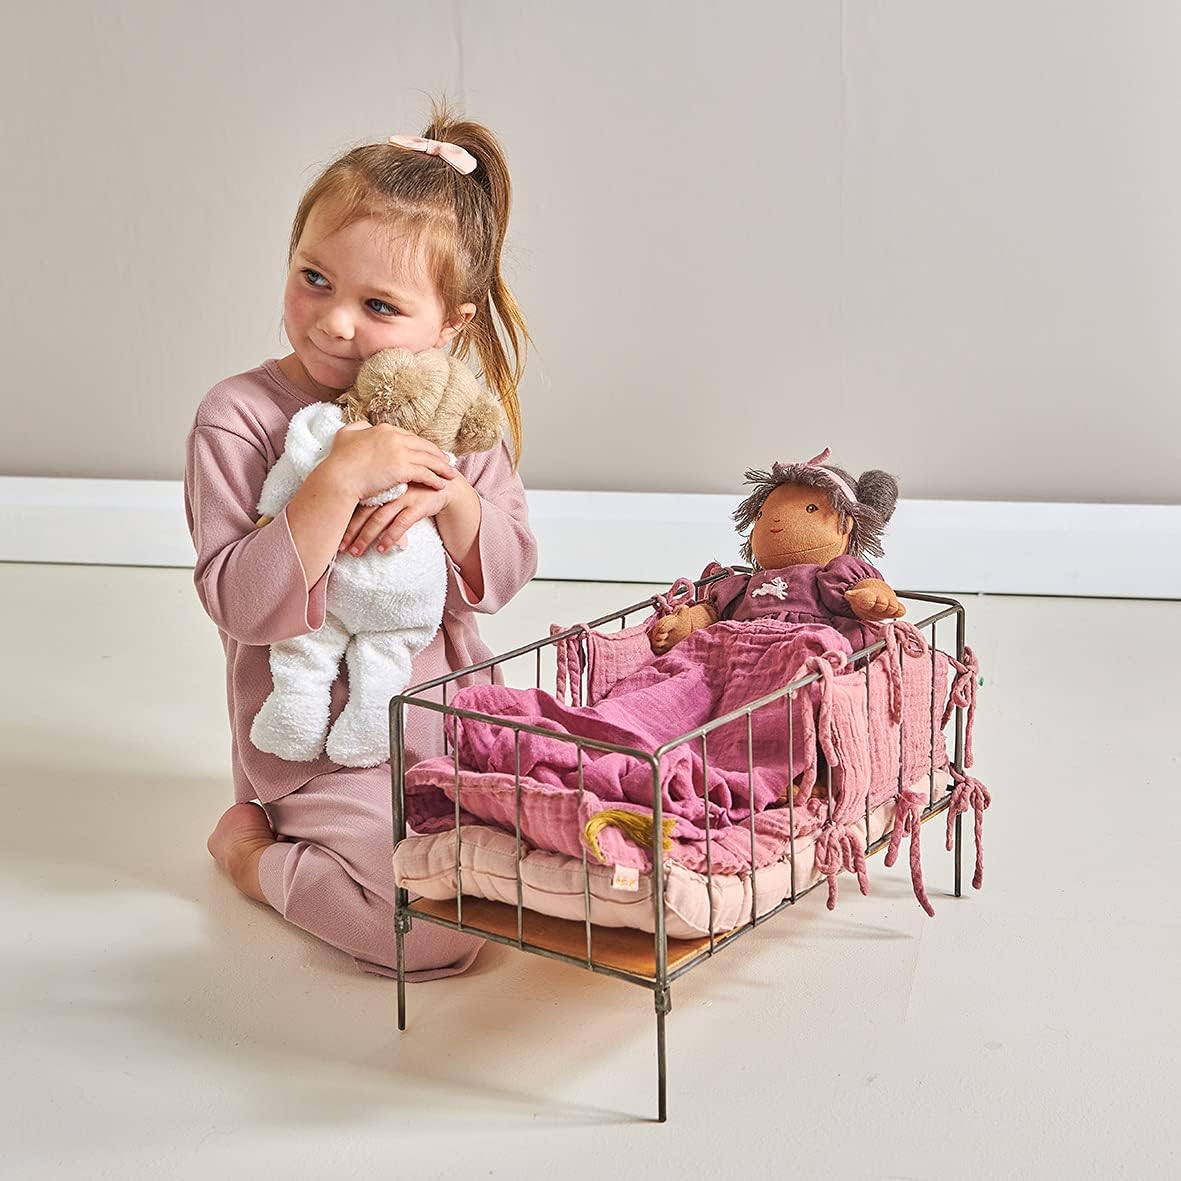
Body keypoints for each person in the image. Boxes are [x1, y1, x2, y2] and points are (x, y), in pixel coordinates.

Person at [185, 101, 537, 980]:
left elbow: (504, 573)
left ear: (450, 324)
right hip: (317, 749)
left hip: (452, 721)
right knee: (437, 932)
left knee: (562, 860)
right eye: (314, 278)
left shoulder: (453, 417)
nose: (335, 321)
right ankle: (254, 859)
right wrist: (335, 480)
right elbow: (238, 602)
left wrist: (454, 499)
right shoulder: (238, 417)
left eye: (378, 304)